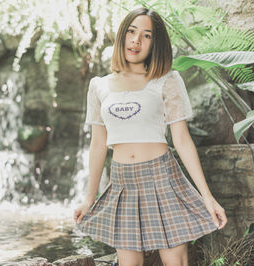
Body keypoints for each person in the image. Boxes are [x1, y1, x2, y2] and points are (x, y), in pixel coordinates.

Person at [73, 7, 227, 266]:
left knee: (175, 262)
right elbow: (98, 144)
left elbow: (182, 140)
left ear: (155, 44)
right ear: (122, 35)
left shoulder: (167, 80)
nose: (136, 40)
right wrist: (90, 198)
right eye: (132, 32)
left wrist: (207, 196)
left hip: (163, 178)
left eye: (146, 36)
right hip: (123, 182)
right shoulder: (99, 86)